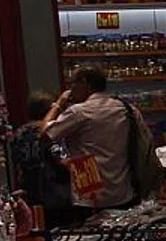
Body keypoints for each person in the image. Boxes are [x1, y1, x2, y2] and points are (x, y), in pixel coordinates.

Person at [42, 67, 137, 212]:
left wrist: (58, 104)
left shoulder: (79, 112)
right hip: (123, 190)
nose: (70, 90)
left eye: (72, 84)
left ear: (84, 83)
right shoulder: (125, 108)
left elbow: (44, 134)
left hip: (90, 192)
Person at [7, 92, 73, 233]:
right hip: (56, 193)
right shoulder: (51, 133)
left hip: (28, 190)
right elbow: (61, 159)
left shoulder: (18, 134)